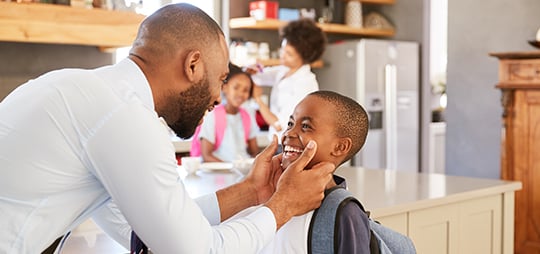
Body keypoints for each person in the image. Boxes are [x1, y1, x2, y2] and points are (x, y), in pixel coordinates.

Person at [0, 3, 335, 253]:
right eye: (220, 80)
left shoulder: (80, 89)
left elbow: (141, 229)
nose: (218, 98)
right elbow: (196, 251)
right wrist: (283, 206)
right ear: (192, 65)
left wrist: (252, 192)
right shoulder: (127, 119)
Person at [228, 90, 371, 253]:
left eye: (305, 126)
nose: (289, 133)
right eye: (290, 124)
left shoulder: (346, 212)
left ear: (340, 147)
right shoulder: (271, 195)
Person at [250, 18, 327, 145]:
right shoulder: (283, 70)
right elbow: (258, 75)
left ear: (304, 57)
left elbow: (280, 125)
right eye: (283, 49)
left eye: (289, 54)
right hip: (276, 140)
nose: (282, 55)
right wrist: (254, 67)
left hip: (289, 143)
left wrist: (258, 100)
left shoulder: (305, 84)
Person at [191, 63, 260, 162]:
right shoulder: (213, 116)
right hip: (220, 173)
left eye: (246, 90)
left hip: (241, 173)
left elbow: (255, 151)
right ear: (225, 87)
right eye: (236, 88)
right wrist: (232, 169)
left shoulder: (247, 116)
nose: (241, 94)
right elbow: (206, 155)